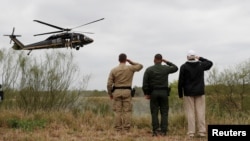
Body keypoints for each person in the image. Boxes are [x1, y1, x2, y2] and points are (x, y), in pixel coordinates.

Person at [178, 50, 213, 138]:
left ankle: (191, 132)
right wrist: (200, 58)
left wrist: (180, 94)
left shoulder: (184, 66)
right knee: (201, 112)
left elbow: (180, 81)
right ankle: (201, 132)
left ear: (187, 57)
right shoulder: (201, 65)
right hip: (200, 92)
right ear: (195, 57)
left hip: (188, 92)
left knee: (190, 112)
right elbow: (210, 63)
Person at [142, 54, 178, 136]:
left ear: (154, 59)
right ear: (161, 60)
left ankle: (155, 131)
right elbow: (176, 68)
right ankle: (164, 131)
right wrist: (167, 62)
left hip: (154, 93)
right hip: (164, 93)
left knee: (154, 112)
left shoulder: (149, 69)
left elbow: (145, 83)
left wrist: (147, 93)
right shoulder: (166, 68)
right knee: (164, 112)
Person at [107, 53, 143, 132]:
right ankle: (126, 128)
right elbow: (140, 66)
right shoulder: (130, 68)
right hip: (127, 91)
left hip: (116, 91)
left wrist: (110, 94)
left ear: (118, 60)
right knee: (127, 111)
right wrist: (131, 62)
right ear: (125, 59)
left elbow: (109, 84)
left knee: (117, 111)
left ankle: (118, 128)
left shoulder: (113, 70)